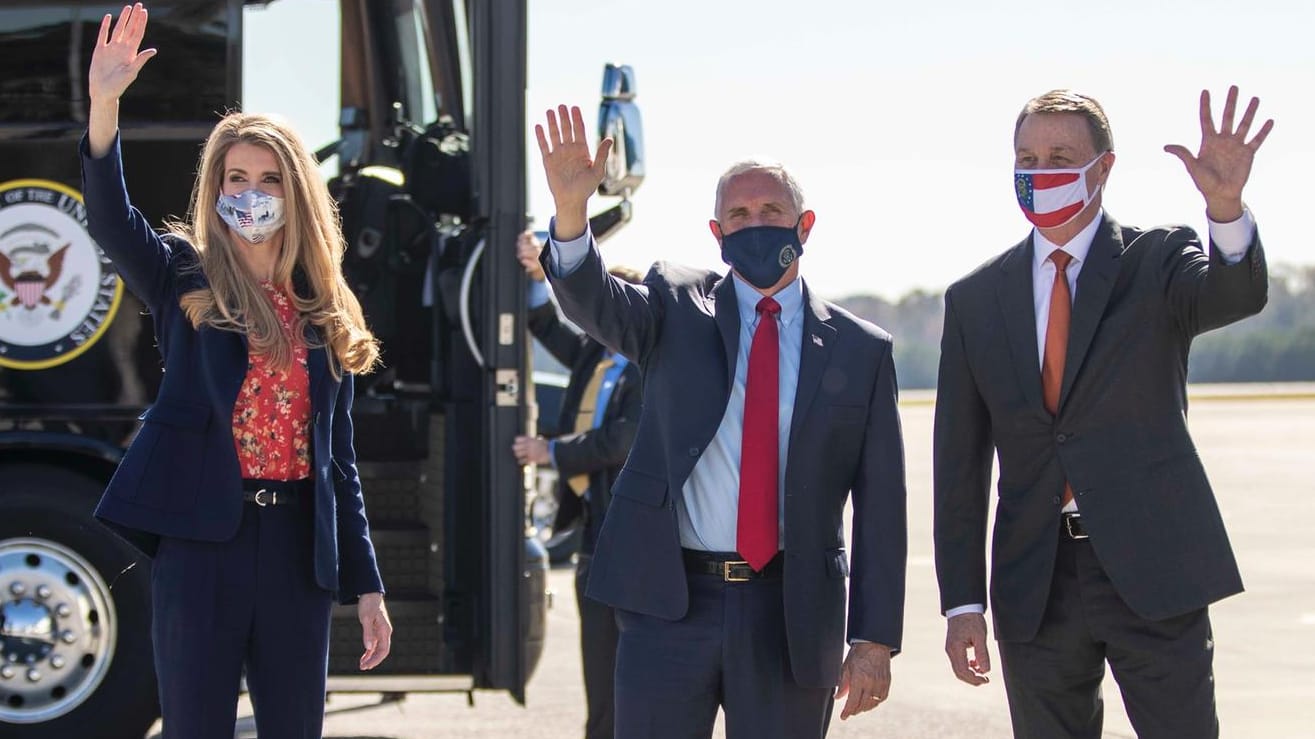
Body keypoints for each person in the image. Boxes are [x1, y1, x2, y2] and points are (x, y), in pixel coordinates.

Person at [533, 105, 907, 739]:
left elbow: (882, 506)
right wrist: (573, 216)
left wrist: (873, 640)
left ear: (805, 225)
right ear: (716, 232)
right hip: (670, 604)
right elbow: (593, 299)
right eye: (739, 215)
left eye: (771, 213)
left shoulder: (860, 349)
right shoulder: (676, 307)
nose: (754, 225)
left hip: (791, 613)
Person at [81, 5, 392, 737]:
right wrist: (104, 104)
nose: (249, 192)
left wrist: (368, 586)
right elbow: (109, 219)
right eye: (236, 176)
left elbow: (337, 459)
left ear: (295, 194)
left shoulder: (321, 306)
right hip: (200, 545)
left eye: (269, 179)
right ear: (216, 187)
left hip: (295, 554)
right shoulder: (181, 274)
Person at [933, 86, 1272, 738]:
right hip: (1035, 582)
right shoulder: (975, 301)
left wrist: (1223, 209)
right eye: (1026, 158)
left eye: (1060, 154)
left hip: (1152, 566)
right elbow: (958, 471)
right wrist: (963, 604)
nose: (1041, 171)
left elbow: (1233, 294)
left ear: (1104, 168)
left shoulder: (1156, 259)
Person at [511, 231, 642, 739]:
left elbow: (625, 438)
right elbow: (545, 323)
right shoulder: (598, 352)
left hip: (631, 542)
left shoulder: (652, 367)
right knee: (600, 683)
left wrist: (553, 451)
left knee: (627, 683)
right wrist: (538, 276)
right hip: (595, 535)